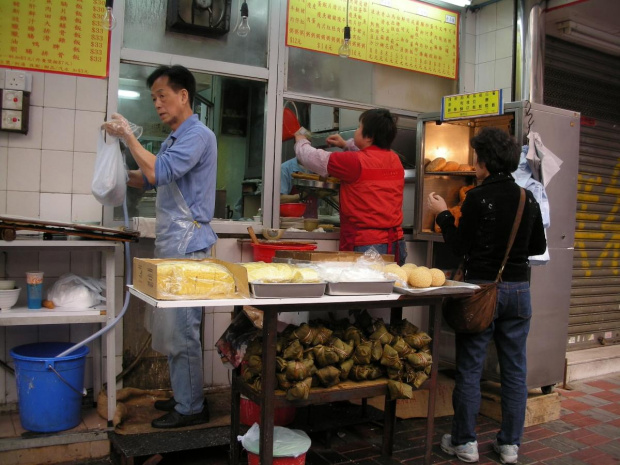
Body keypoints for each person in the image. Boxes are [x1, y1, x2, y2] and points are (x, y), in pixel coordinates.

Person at [103, 65, 217, 429]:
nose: (157, 104)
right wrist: (116, 176)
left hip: (188, 246)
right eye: (153, 98)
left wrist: (128, 138)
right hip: (173, 243)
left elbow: (157, 173)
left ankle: (192, 407)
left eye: (162, 96)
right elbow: (146, 178)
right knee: (170, 328)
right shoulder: (173, 139)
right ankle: (184, 396)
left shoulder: (198, 136)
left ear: (183, 96)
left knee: (183, 329)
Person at [427, 127, 546, 464]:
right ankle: (510, 445)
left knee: (470, 367)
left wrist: (443, 215)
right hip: (520, 291)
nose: (475, 163)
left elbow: (459, 246)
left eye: (477, 157)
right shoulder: (528, 197)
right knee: (514, 369)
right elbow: (538, 246)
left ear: (484, 162)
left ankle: (465, 442)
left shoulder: (477, 198)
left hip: (482, 291)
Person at [294, 108, 406, 265]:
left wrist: (301, 141)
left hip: (368, 247)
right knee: (392, 288)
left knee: (364, 290)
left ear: (369, 136)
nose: (357, 130)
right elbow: (370, 160)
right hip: (396, 244)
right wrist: (345, 145)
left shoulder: (354, 162)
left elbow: (312, 158)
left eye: (359, 127)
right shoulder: (395, 160)